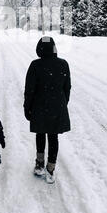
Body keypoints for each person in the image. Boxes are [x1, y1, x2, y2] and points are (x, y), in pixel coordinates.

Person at [24, 37, 71, 184]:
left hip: (39, 106)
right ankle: (51, 168)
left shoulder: (35, 65)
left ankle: (39, 164)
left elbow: (29, 90)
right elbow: (67, 87)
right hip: (57, 106)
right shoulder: (63, 64)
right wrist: (63, 103)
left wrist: (27, 107)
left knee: (40, 134)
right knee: (53, 137)